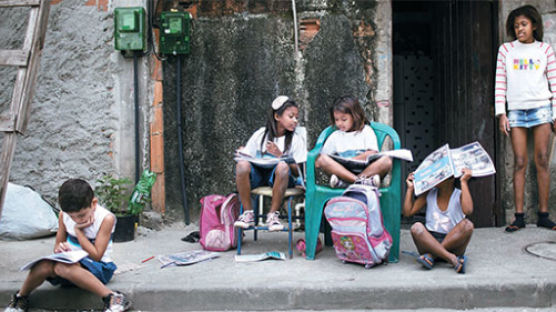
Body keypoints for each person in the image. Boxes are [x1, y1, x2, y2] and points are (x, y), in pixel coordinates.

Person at [4, 179, 131, 312]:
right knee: (44, 264)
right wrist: (61, 248)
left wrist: (78, 232)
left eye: (81, 215)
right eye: (72, 217)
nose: (77, 220)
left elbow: (97, 256)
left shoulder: (106, 218)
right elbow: (58, 245)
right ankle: (20, 298)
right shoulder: (63, 216)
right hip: (71, 264)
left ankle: (112, 297)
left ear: (94, 203)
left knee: (61, 267)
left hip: (99, 268)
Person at [494, 5, 556, 232]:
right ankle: (518, 216)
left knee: (541, 160)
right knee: (520, 162)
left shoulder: (545, 50)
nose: (519, 29)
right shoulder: (506, 50)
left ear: (534, 26)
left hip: (542, 109)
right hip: (517, 112)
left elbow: (554, 82)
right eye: (516, 25)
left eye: (524, 24)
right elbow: (500, 82)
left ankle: (543, 215)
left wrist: (555, 114)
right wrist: (502, 113)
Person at [233, 96, 306, 231]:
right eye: (291, 116)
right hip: (259, 176)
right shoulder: (261, 134)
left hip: (282, 178)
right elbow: (248, 156)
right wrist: (243, 153)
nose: (295, 121)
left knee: (282, 166)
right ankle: (248, 213)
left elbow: (299, 171)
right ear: (277, 117)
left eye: (297, 117)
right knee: (242, 165)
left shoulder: (296, 139)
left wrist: (281, 156)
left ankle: (273, 215)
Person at [403, 169, 474, 274]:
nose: (435, 179)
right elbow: (408, 212)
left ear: (450, 180)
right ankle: (451, 259)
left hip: (454, 243)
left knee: (468, 225)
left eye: (440, 176)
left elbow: (468, 210)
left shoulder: (459, 194)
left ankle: (433, 256)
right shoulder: (429, 194)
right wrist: (410, 189)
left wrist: (463, 182)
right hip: (429, 242)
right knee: (416, 227)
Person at [316, 95, 392, 188]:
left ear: (355, 116)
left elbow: (372, 153)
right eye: (336, 120)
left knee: (386, 161)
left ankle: (348, 183)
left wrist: (352, 160)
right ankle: (359, 182)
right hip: (343, 172)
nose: (339, 123)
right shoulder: (335, 136)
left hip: (366, 171)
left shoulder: (366, 131)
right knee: (323, 159)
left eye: (344, 119)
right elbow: (320, 161)